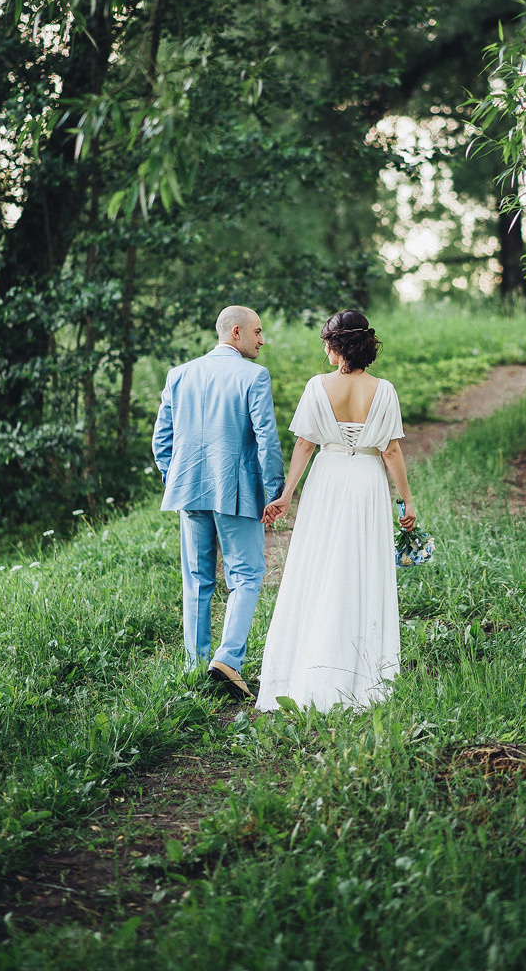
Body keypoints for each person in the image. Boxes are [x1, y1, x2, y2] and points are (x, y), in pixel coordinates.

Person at [255, 309, 416, 712]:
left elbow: (305, 444)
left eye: (327, 343)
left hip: (326, 479)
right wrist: (406, 501)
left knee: (318, 562)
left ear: (336, 345)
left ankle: (308, 666)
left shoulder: (317, 386)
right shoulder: (384, 390)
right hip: (366, 481)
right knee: (360, 566)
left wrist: (287, 495)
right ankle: (359, 671)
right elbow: (391, 451)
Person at [152, 305, 284, 700]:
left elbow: (162, 441)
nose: (262, 340)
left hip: (189, 490)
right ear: (236, 331)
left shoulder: (179, 374)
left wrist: (176, 477)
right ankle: (227, 660)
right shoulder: (254, 376)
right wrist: (275, 491)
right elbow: (267, 438)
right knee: (246, 575)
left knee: (196, 578)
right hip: (235, 490)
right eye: (258, 332)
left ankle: (194, 669)